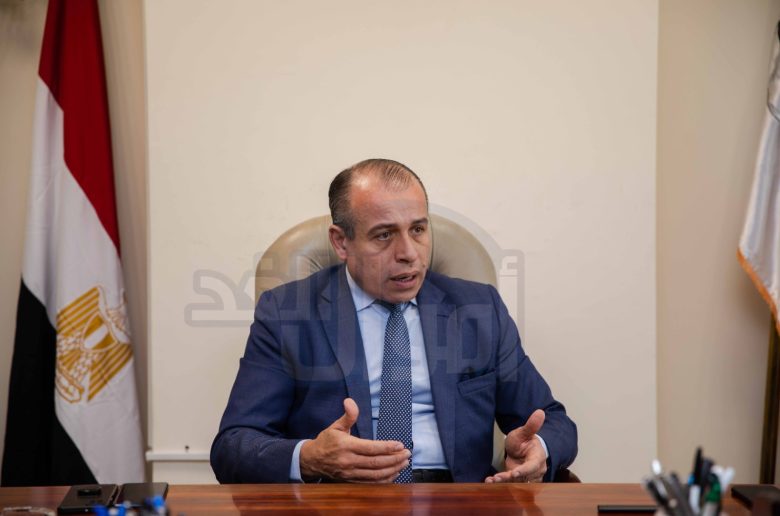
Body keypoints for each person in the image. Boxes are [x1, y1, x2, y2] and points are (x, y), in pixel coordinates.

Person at [211, 159, 577, 483]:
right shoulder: (286, 313)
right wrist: (310, 458)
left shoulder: (479, 309)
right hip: (340, 503)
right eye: (384, 235)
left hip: (460, 500)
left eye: (418, 230)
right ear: (341, 243)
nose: (408, 253)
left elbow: (555, 422)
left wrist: (539, 449)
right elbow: (233, 445)